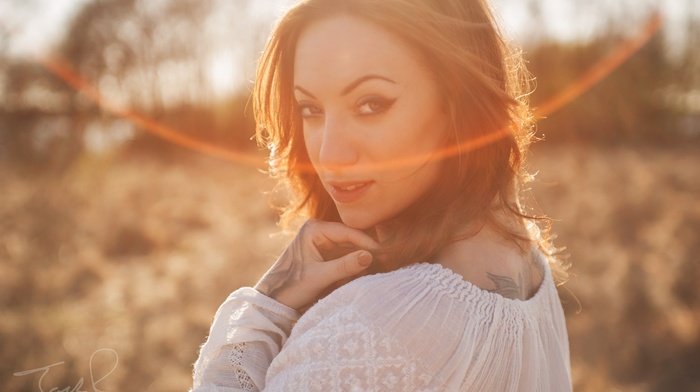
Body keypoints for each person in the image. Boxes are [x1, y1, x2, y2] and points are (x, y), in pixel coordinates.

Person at [191, 0, 572, 390]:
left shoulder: (379, 325)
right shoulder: (525, 257)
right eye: (310, 109)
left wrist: (269, 301)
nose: (329, 156)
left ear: (456, 102)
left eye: (371, 105)